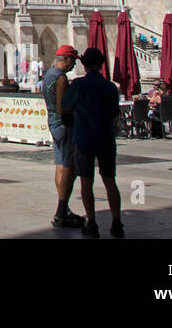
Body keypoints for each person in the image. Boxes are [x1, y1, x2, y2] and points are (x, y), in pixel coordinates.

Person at [61, 47, 124, 238]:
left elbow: (64, 107)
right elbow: (114, 112)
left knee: (86, 182)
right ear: (102, 64)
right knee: (110, 181)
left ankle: (92, 222)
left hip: (84, 137)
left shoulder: (78, 85)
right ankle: (116, 223)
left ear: (84, 64)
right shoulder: (111, 87)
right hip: (106, 138)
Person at [45, 45, 83, 229]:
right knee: (69, 166)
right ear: (66, 59)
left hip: (52, 121)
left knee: (60, 165)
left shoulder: (48, 74)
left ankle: (63, 206)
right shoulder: (60, 78)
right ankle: (61, 209)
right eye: (73, 61)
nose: (73, 65)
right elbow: (63, 107)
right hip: (63, 123)